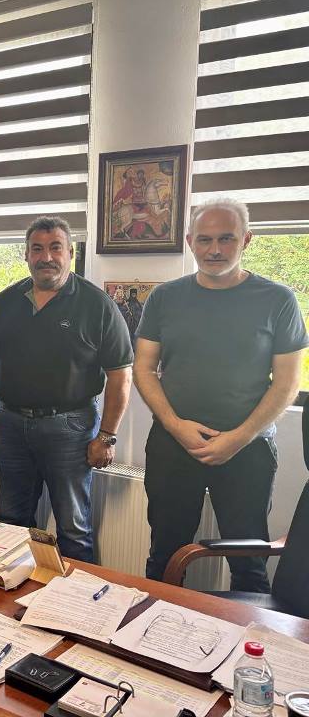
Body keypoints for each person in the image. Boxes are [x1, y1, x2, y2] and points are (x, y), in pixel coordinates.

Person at [135, 198, 308, 590]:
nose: (214, 249)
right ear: (190, 242)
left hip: (247, 449)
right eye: (205, 239)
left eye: (226, 238)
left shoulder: (278, 299)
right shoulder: (164, 297)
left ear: (246, 240)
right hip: (172, 446)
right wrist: (175, 426)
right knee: (164, 555)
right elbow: (144, 369)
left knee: (248, 562)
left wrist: (238, 438)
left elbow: (286, 384)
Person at [0, 216, 133, 562]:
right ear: (26, 255)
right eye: (37, 249)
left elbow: (121, 376)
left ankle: (79, 598)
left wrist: (107, 436)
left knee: (73, 529)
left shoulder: (97, 305)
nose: (46, 257)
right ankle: (19, 590)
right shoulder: (5, 302)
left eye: (55, 248)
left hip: (70, 429)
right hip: (10, 424)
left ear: (70, 253)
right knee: (10, 522)